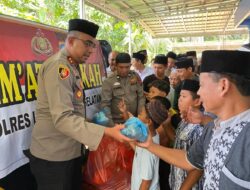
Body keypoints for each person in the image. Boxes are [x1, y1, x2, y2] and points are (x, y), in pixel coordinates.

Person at [26, 19, 132, 190]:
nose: (91, 50)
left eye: (93, 46)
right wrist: (107, 131)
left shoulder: (71, 66)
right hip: (54, 157)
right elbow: (63, 118)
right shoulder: (59, 67)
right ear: (70, 41)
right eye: (88, 44)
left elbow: (73, 111)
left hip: (69, 151)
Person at [137, 50, 250, 190]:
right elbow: (189, 160)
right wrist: (151, 146)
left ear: (223, 86)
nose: (199, 93)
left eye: (202, 85)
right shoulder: (213, 127)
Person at [119, 97, 169, 190]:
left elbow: (146, 183)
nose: (138, 115)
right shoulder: (150, 134)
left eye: (141, 113)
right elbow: (138, 151)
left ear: (149, 122)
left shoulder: (148, 150)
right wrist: (125, 112)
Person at [169, 79, 204, 190]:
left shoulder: (200, 127)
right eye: (179, 96)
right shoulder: (184, 120)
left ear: (197, 101)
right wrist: (166, 125)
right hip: (176, 182)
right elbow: (178, 143)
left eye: (184, 97)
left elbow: (198, 166)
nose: (179, 100)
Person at [101, 52, 145, 127]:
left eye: (127, 67)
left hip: (134, 121)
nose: (124, 70)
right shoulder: (109, 81)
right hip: (118, 123)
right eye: (121, 67)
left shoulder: (135, 77)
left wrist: (140, 118)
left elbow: (141, 97)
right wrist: (112, 126)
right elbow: (105, 105)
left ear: (130, 65)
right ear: (116, 66)